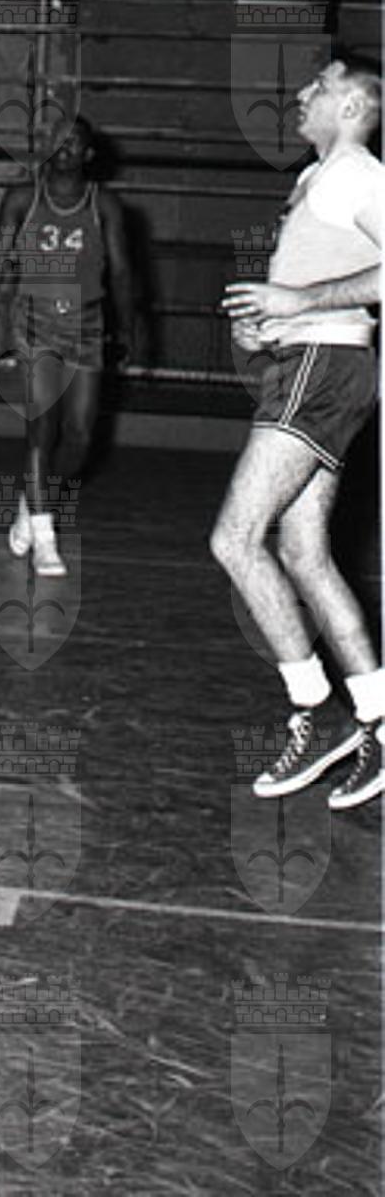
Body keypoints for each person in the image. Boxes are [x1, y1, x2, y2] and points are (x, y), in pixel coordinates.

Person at [213, 52, 383, 811]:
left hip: (324, 367)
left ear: (351, 107)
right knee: (304, 554)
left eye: (320, 86)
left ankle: (315, 710)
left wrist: (299, 303)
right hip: (308, 362)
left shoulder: (357, 174)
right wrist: (268, 326)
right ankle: (376, 720)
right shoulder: (317, 177)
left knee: (234, 539)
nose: (301, 93)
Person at [0, 114, 142, 577]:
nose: (63, 148)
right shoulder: (21, 198)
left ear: (89, 153)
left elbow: (122, 271)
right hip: (34, 321)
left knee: (81, 438)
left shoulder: (104, 204)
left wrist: (130, 328)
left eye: (73, 142)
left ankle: (33, 501)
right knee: (41, 427)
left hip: (87, 322)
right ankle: (46, 539)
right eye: (56, 140)